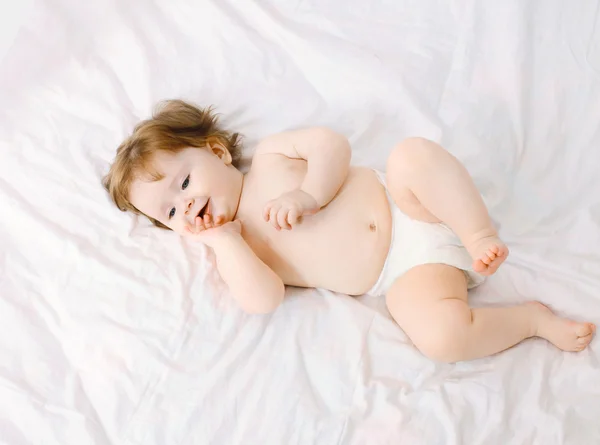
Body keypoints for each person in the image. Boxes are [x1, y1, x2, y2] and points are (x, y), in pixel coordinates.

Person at [103, 99, 595, 362]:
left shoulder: (273, 157)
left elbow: (332, 146)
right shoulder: (236, 249)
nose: (186, 205)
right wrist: (225, 242)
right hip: (404, 274)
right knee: (441, 338)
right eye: (170, 213)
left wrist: (308, 194)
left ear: (217, 152)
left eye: (184, 182)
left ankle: (478, 233)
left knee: (413, 155)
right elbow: (264, 299)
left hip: (411, 205)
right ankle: (530, 321)